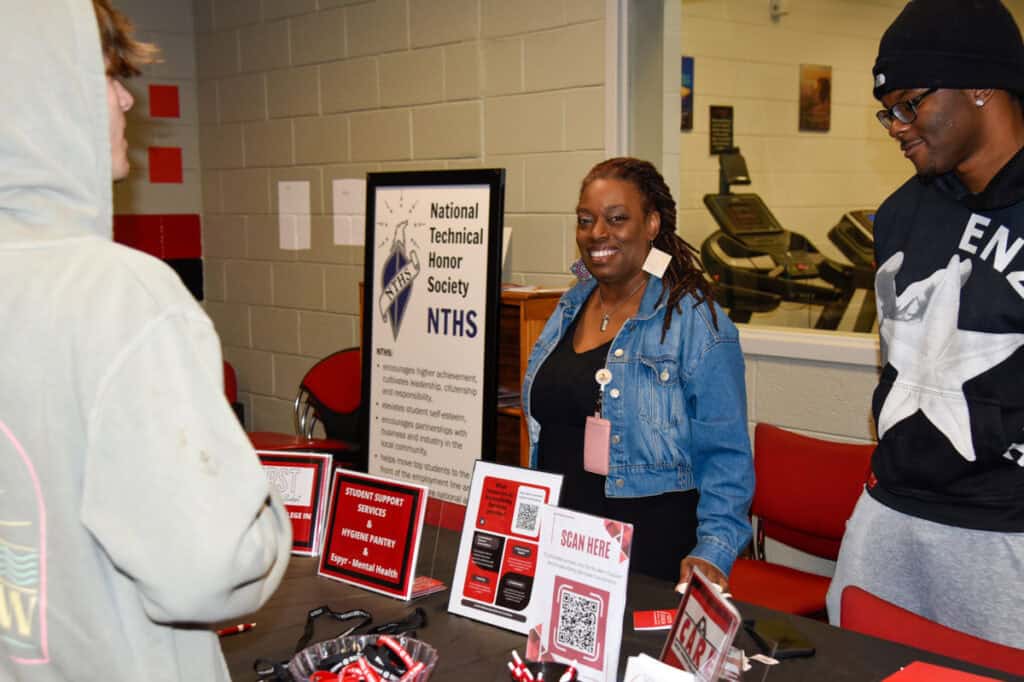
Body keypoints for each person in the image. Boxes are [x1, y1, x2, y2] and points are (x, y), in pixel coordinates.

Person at [0, 1, 292, 680]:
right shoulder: (115, 292)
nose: (126, 99)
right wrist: (266, 531)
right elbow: (209, 569)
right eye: (105, 75)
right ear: (48, 91)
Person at [826, 0, 1024, 648]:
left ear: (978, 85)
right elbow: (899, 358)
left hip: (1007, 528)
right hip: (891, 513)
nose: (896, 125)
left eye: (910, 104)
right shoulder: (900, 215)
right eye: (888, 110)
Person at [521, 157, 754, 586]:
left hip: (649, 551)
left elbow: (727, 455)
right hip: (564, 540)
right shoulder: (569, 306)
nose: (597, 233)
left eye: (617, 218)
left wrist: (715, 551)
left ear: (651, 224)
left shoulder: (696, 321)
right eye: (585, 220)